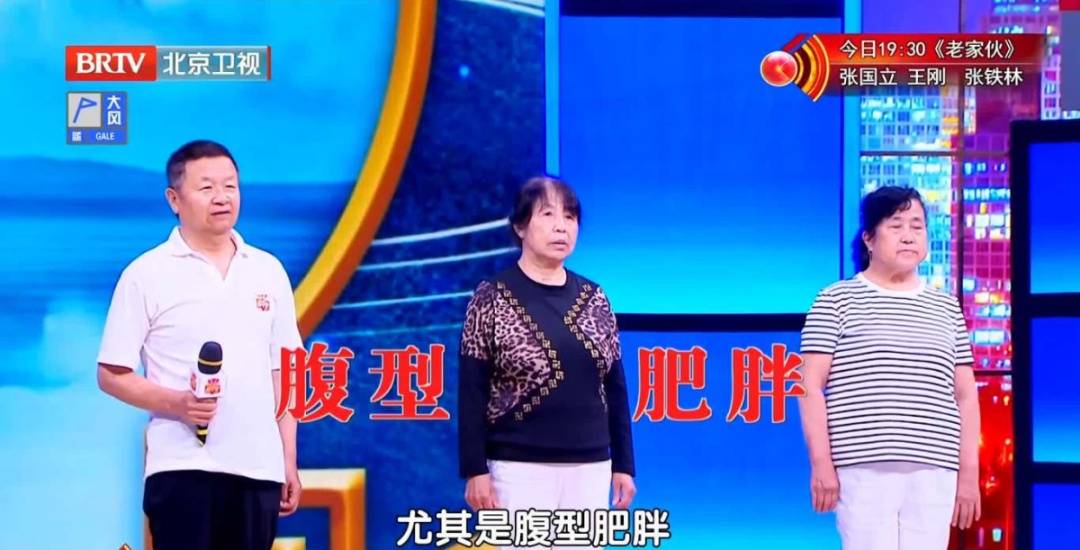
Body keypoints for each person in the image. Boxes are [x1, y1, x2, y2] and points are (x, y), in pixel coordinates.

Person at [97, 140, 303, 550]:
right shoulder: (146, 274)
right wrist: (178, 404)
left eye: (230, 186)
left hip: (258, 470)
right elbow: (111, 374)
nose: (222, 197)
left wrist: (287, 459)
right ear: (174, 199)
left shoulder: (268, 270)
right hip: (182, 468)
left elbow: (284, 370)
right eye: (206, 187)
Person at [797, 185, 982, 550]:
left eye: (917, 226)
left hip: (935, 468)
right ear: (869, 238)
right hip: (862, 467)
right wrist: (821, 463)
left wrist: (968, 474)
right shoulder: (835, 300)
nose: (909, 236)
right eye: (896, 226)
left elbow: (965, 396)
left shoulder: (946, 308)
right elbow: (809, 385)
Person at [457, 176, 637, 548]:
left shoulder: (595, 298)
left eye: (570, 217)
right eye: (548, 214)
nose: (561, 227)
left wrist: (623, 465)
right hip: (517, 468)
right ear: (520, 227)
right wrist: (475, 469)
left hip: (590, 466)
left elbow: (615, 389)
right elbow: (471, 391)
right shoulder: (491, 297)